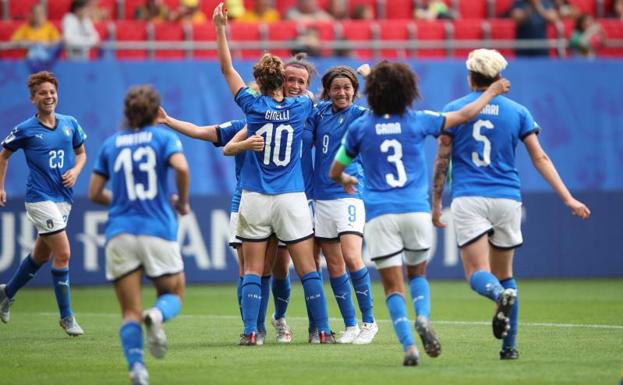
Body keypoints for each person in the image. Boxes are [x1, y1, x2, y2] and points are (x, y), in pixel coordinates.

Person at [329, 60, 510, 366]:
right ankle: (423, 317)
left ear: (371, 93)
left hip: (379, 215)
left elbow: (336, 169)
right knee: (417, 274)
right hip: (415, 212)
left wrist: (345, 179)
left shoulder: (360, 127)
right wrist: (492, 91)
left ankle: (409, 347)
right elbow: (465, 115)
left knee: (392, 287)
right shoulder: (418, 120)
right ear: (408, 92)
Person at [431, 49, 590, 361]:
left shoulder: (454, 109)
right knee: (506, 274)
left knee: (478, 272)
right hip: (507, 198)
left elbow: (442, 159)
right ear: (499, 76)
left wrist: (436, 203)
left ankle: (498, 296)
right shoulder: (518, 112)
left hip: (470, 197)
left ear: (470, 76)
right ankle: (509, 348)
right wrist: (568, 197)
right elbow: (540, 157)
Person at [213, 2, 333, 345]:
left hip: (254, 196)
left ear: (259, 83)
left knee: (253, 269)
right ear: (284, 82)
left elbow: (227, 69)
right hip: (292, 196)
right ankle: (321, 330)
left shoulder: (251, 106)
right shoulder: (300, 105)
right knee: (307, 267)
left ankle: (252, 332)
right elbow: (312, 94)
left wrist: (221, 29)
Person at [88, 85, 190, 385]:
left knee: (129, 311)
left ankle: (137, 369)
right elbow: (182, 169)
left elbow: (94, 193)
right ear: (157, 111)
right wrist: (182, 203)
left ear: (127, 112)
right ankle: (157, 316)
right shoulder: (164, 137)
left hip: (120, 232)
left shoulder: (111, 143)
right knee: (174, 293)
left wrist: (121, 202)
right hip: (157, 228)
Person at [0, 71, 87, 337]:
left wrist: (76, 171)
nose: (49, 97)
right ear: (33, 98)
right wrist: (0, 186)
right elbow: (3, 155)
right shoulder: (25, 129)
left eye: (52, 92)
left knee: (41, 255)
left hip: (64, 199)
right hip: (39, 198)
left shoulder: (69, 123)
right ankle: (67, 317)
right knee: (63, 254)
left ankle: (6, 293)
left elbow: (81, 153)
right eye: (42, 93)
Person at [310, 66, 378, 344]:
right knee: (334, 265)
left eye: (347, 88)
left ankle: (369, 322)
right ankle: (350, 325)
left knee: (352, 257)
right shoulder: (319, 113)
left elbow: (385, 106)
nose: (342, 93)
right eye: (336, 88)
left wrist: (370, 75)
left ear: (355, 91)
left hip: (349, 194)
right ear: (328, 91)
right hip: (321, 197)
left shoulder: (360, 115)